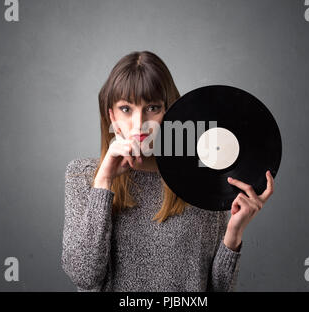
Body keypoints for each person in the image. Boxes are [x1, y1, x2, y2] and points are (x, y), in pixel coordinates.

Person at [61, 50, 274, 292]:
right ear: (111, 114)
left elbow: (217, 290)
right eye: (126, 109)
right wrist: (103, 182)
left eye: (152, 107)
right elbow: (85, 276)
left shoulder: (201, 181)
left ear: (171, 111)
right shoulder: (83, 175)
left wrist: (234, 234)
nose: (139, 122)